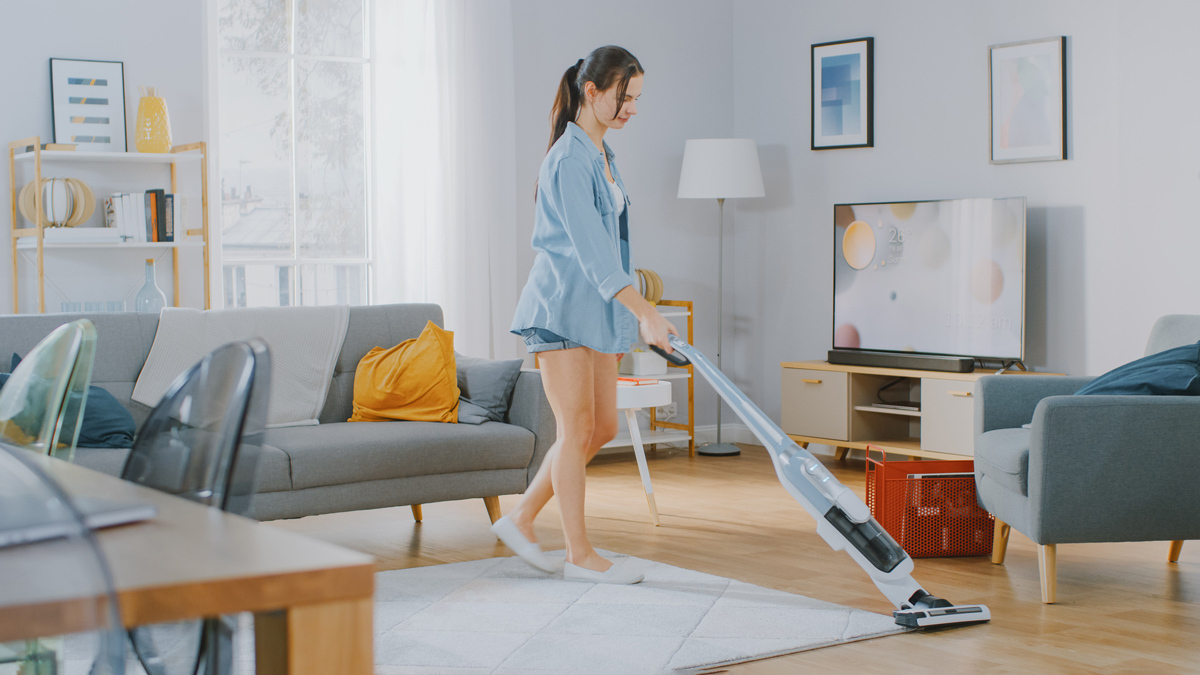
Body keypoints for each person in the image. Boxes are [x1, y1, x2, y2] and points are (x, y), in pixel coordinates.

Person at [493, 45, 677, 585]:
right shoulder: (570, 160)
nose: (632, 109)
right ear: (592, 90)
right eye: (625, 96)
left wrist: (632, 310)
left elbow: (612, 246)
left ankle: (520, 518)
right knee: (575, 429)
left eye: (637, 99)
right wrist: (645, 312)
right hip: (560, 308)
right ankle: (578, 553)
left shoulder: (603, 155)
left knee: (600, 426)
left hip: (594, 311)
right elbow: (593, 252)